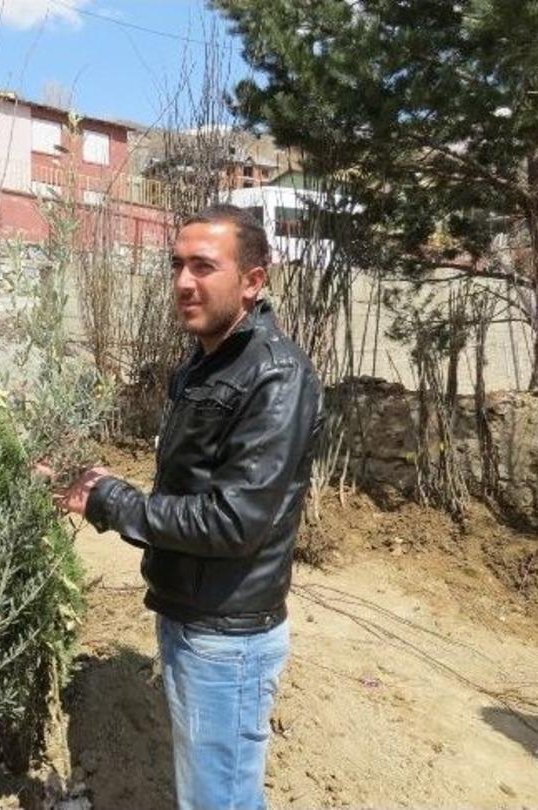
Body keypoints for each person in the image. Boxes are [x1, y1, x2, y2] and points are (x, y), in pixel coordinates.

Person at [55, 204, 321, 810]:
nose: (182, 282)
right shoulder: (207, 362)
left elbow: (234, 523)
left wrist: (115, 501)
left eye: (204, 266)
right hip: (190, 611)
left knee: (218, 800)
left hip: (226, 635)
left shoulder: (277, 377)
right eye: (177, 264)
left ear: (254, 281)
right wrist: (102, 491)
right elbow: (190, 490)